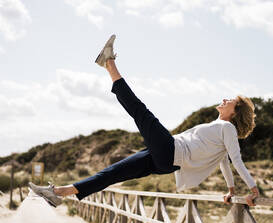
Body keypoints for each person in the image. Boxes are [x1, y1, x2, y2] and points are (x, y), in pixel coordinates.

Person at [29, 35, 260, 208]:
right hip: (166, 161)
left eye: (230, 100)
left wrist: (253, 190)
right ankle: (57, 193)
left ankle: (108, 63)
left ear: (235, 111)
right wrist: (230, 189)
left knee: (140, 111)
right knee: (113, 172)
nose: (224, 99)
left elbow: (236, 160)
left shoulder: (227, 127)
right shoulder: (219, 129)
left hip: (170, 151)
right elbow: (224, 163)